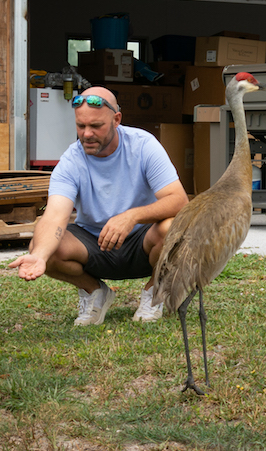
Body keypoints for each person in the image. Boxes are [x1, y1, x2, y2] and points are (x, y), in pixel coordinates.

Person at [9, 86, 189, 325]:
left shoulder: (144, 145)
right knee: (45, 246)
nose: (86, 134)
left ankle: (155, 292)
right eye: (80, 126)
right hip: (94, 244)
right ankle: (95, 292)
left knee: (174, 228)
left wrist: (131, 217)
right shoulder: (71, 161)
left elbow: (179, 200)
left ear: (116, 120)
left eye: (96, 126)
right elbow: (54, 215)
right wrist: (40, 256)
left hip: (142, 242)